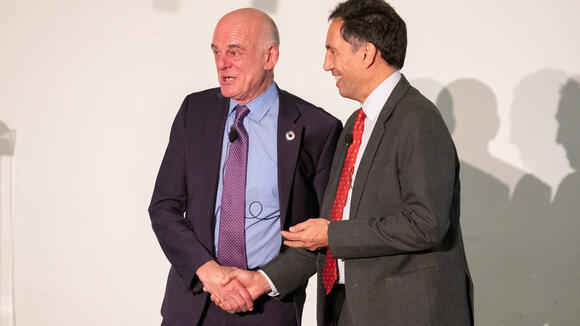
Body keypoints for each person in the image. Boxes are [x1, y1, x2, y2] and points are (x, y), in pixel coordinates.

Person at [221, 1, 473, 325]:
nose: (327, 64)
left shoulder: (417, 119)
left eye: (333, 51)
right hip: (348, 309)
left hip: (406, 313)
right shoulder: (355, 123)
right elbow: (328, 225)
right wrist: (262, 280)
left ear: (367, 54)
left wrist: (332, 235)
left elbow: (426, 223)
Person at [148, 8, 342, 326]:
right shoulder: (194, 112)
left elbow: (323, 232)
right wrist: (209, 274)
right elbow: (164, 207)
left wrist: (263, 280)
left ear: (270, 57)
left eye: (235, 52)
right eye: (217, 52)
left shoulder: (316, 127)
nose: (222, 63)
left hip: (269, 309)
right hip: (194, 304)